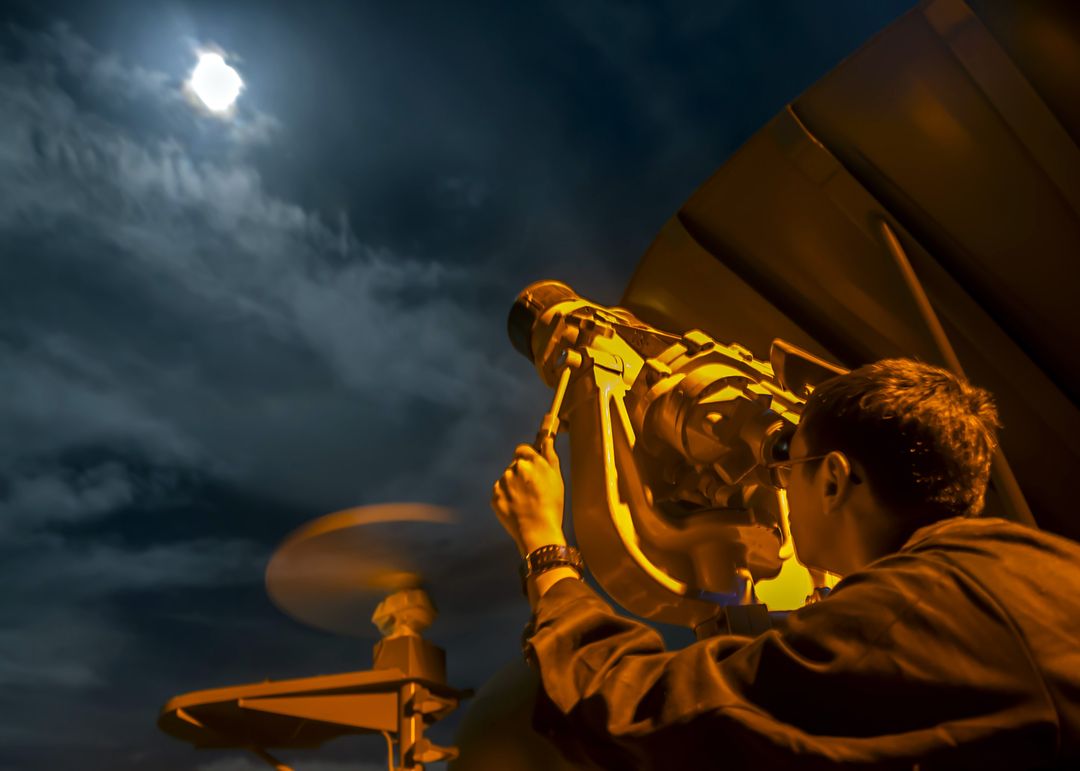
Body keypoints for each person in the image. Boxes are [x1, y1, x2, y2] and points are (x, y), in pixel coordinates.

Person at [491, 358, 1080, 769]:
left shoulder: (905, 615)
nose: (777, 484)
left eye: (786, 463)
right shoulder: (1042, 568)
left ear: (832, 479)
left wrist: (545, 546)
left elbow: (643, 712)